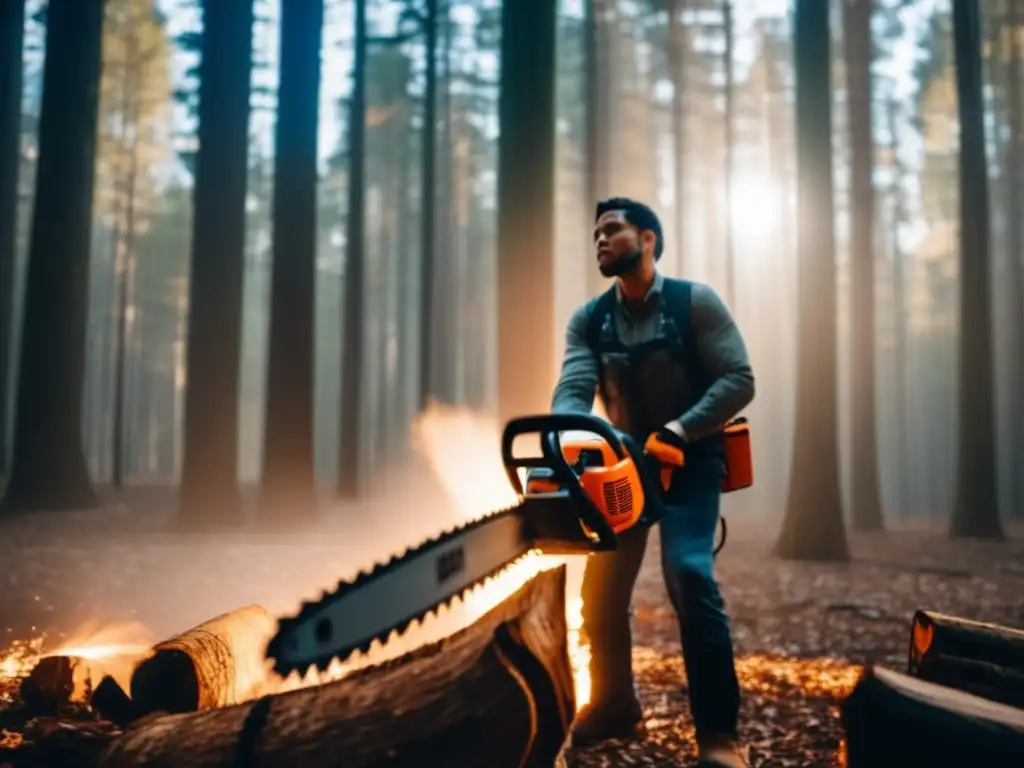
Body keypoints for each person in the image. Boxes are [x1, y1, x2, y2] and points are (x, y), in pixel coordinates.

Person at [552, 197, 755, 767]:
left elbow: (739, 378)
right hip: (624, 469)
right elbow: (574, 388)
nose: (599, 239)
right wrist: (571, 436)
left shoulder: (695, 303)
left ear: (648, 239)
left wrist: (681, 430)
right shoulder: (589, 319)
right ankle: (616, 702)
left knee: (690, 573)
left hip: (692, 466)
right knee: (599, 591)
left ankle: (719, 734)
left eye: (611, 230)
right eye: (595, 232)